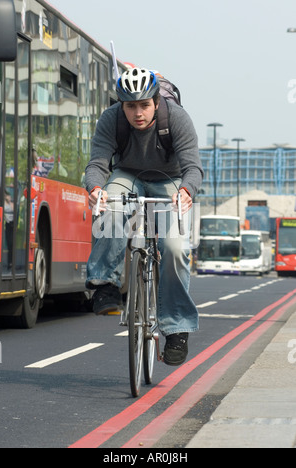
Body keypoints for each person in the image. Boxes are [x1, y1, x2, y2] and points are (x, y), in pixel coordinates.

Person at [85, 67, 203, 366]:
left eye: (144, 105)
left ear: (155, 102)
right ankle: (104, 285)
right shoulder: (111, 119)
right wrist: (96, 188)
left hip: (169, 180)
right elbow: (97, 162)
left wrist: (187, 191)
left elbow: (192, 167)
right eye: (130, 106)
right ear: (121, 104)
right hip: (128, 175)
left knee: (175, 248)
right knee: (109, 207)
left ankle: (176, 330)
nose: (138, 113)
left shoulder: (176, 117)